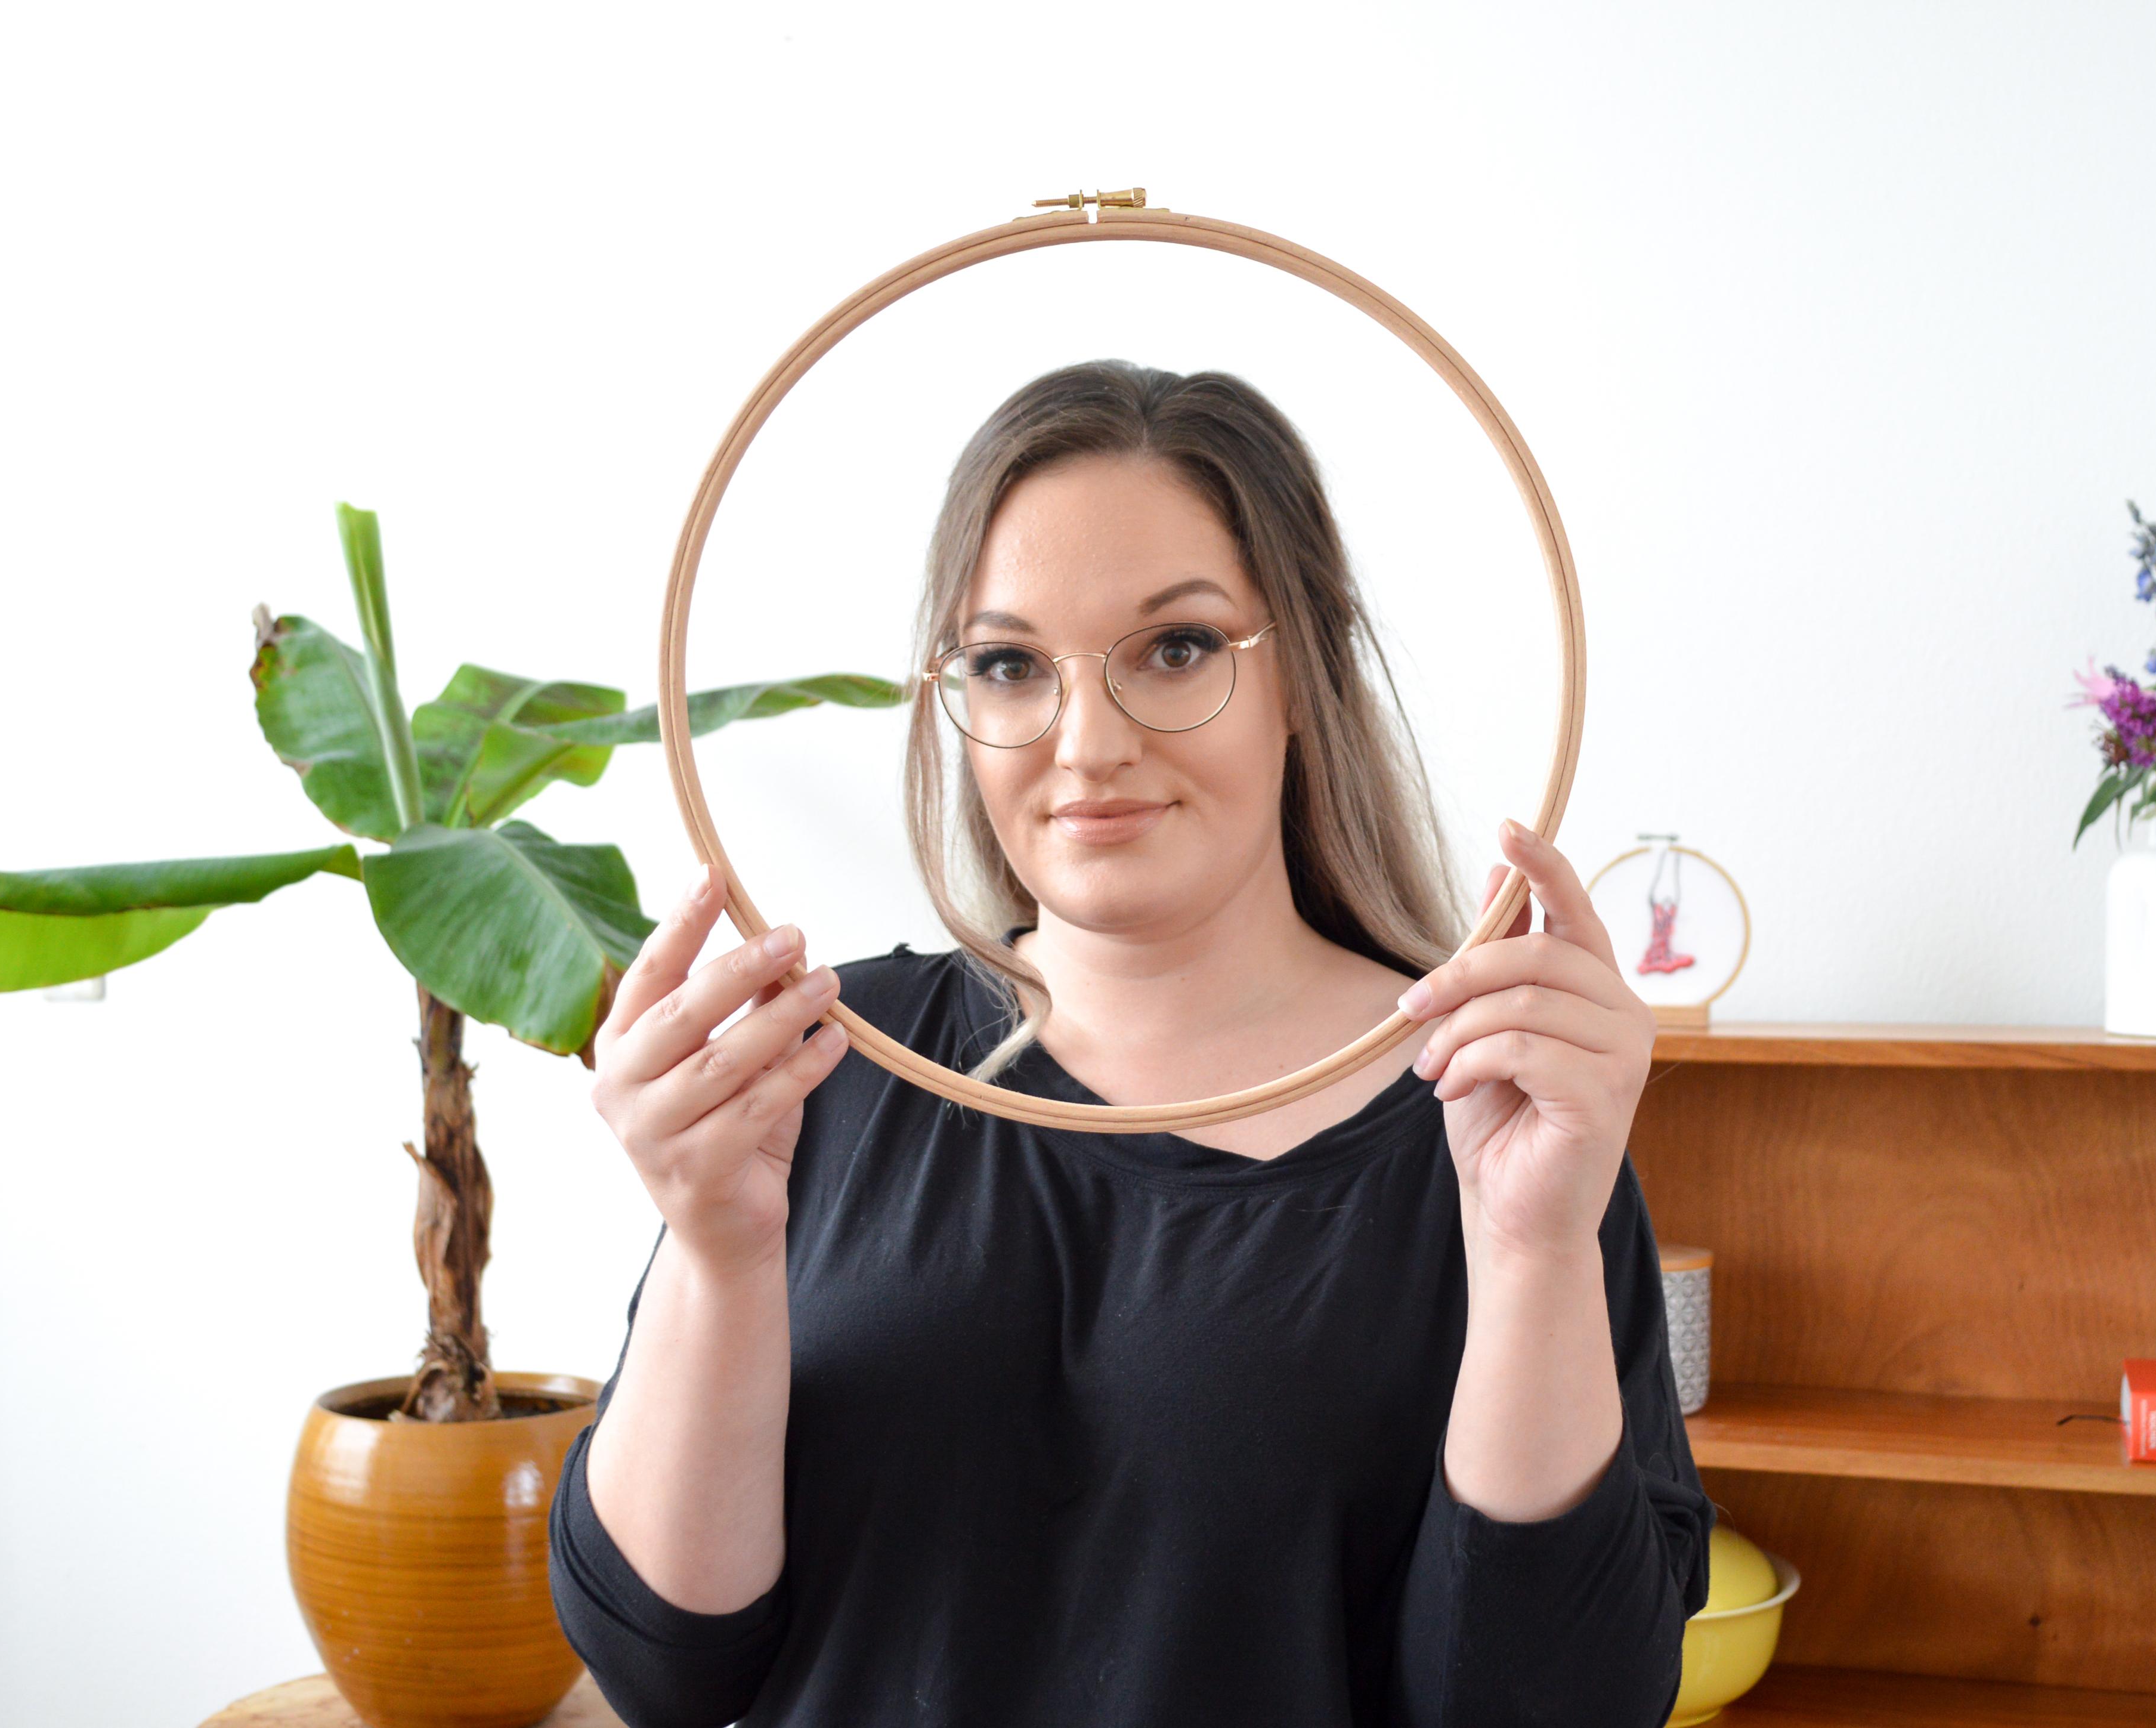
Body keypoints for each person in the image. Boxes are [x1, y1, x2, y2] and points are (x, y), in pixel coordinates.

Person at [547, 360, 1711, 1727]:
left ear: (1305, 672)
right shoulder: (821, 1072)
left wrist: (1526, 1258)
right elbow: (668, 1670)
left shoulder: (1494, 1114)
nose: (1085, 741)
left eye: (1177, 648)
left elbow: (1549, 1706)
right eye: (1009, 665)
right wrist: (718, 1255)